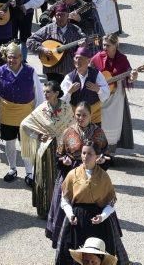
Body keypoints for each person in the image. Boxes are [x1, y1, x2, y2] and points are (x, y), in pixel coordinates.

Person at [55, 140, 128, 265]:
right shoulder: (72, 174)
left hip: (98, 223)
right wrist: (70, 214)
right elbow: (65, 199)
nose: (85, 156)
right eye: (83, 153)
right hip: (77, 221)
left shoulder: (104, 176)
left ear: (97, 156)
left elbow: (110, 203)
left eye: (89, 154)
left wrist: (102, 216)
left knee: (98, 257)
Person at [46, 101, 108, 246]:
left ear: (91, 116)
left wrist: (102, 160)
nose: (80, 118)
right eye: (78, 115)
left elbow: (106, 153)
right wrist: (64, 161)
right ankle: (65, 242)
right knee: (67, 207)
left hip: (93, 174)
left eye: (84, 115)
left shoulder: (98, 132)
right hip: (71, 173)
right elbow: (58, 155)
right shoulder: (68, 132)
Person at [0, 42, 45, 186]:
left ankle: (29, 173)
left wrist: (39, 113)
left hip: (26, 112)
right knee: (9, 142)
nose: (12, 60)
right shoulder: (0, 71)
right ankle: (12, 169)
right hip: (7, 112)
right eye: (9, 57)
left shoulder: (30, 71)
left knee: (27, 143)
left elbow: (38, 92)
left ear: (21, 57)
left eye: (15, 57)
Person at [19, 81, 76, 218]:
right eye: (44, 91)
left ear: (56, 93)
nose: (45, 94)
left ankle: (62, 209)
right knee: (45, 179)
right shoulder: (42, 108)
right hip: (46, 149)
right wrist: (38, 135)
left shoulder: (67, 107)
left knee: (62, 178)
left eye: (48, 91)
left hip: (63, 148)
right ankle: (45, 210)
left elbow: (73, 125)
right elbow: (25, 124)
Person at [90, 34, 136, 160]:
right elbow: (89, 70)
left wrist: (133, 77)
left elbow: (129, 75)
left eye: (108, 45)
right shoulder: (97, 57)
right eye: (103, 44)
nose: (104, 47)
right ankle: (98, 149)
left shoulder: (122, 59)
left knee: (113, 123)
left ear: (115, 45)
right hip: (100, 96)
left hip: (116, 96)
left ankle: (109, 152)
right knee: (101, 121)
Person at [27, 3, 86, 84]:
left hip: (69, 69)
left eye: (62, 15)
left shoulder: (75, 30)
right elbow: (30, 41)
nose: (59, 17)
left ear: (68, 15)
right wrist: (43, 49)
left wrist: (82, 47)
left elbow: (84, 48)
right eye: (57, 15)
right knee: (54, 94)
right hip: (52, 68)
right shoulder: (48, 29)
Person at [61, 46, 111, 125]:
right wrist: (69, 92)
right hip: (75, 119)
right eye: (76, 58)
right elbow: (62, 101)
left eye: (81, 59)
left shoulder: (97, 75)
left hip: (93, 117)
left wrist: (98, 89)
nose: (78, 61)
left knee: (94, 136)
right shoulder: (69, 77)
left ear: (88, 61)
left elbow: (106, 94)